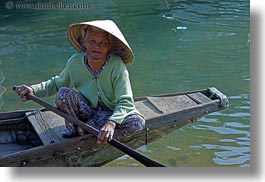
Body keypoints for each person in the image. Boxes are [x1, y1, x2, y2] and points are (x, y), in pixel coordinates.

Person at [15, 20, 145, 145]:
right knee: (63, 93)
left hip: (109, 113)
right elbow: (56, 83)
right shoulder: (75, 62)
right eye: (92, 42)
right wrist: (33, 90)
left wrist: (111, 123)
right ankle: (75, 130)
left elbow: (125, 102)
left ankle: (93, 135)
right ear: (84, 43)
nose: (97, 47)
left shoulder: (117, 65)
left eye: (103, 43)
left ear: (109, 47)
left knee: (137, 122)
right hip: (86, 111)